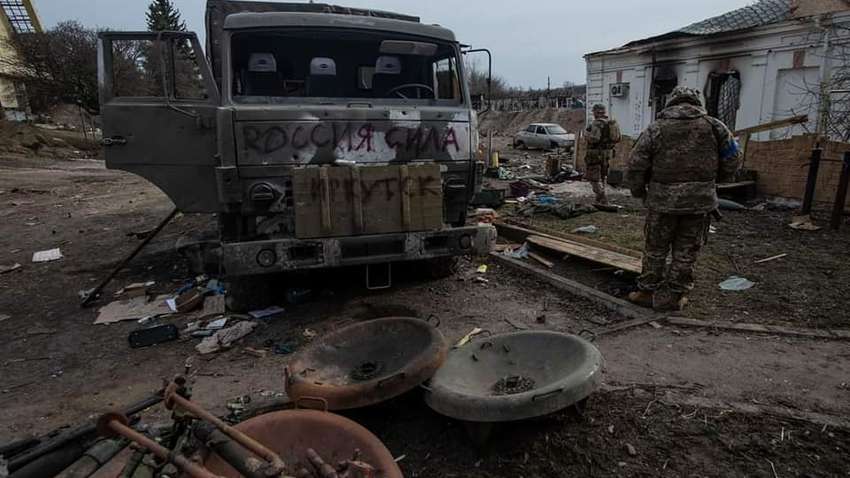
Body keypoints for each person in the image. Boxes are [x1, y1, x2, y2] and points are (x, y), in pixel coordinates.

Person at [626, 86, 740, 312]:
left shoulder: (656, 129)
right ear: (697, 102)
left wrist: (639, 192)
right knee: (686, 251)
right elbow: (732, 157)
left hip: (661, 202)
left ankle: (646, 292)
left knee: (655, 249)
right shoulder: (715, 127)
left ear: (671, 102)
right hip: (698, 203)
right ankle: (675, 297)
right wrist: (717, 181)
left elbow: (636, 164)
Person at [585, 104, 621, 210]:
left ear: (596, 112)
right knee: (603, 176)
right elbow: (618, 138)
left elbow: (595, 139)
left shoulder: (596, 123)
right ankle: (598, 199)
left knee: (593, 178)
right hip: (607, 153)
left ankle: (603, 198)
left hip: (595, 154)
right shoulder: (611, 123)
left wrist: (586, 135)